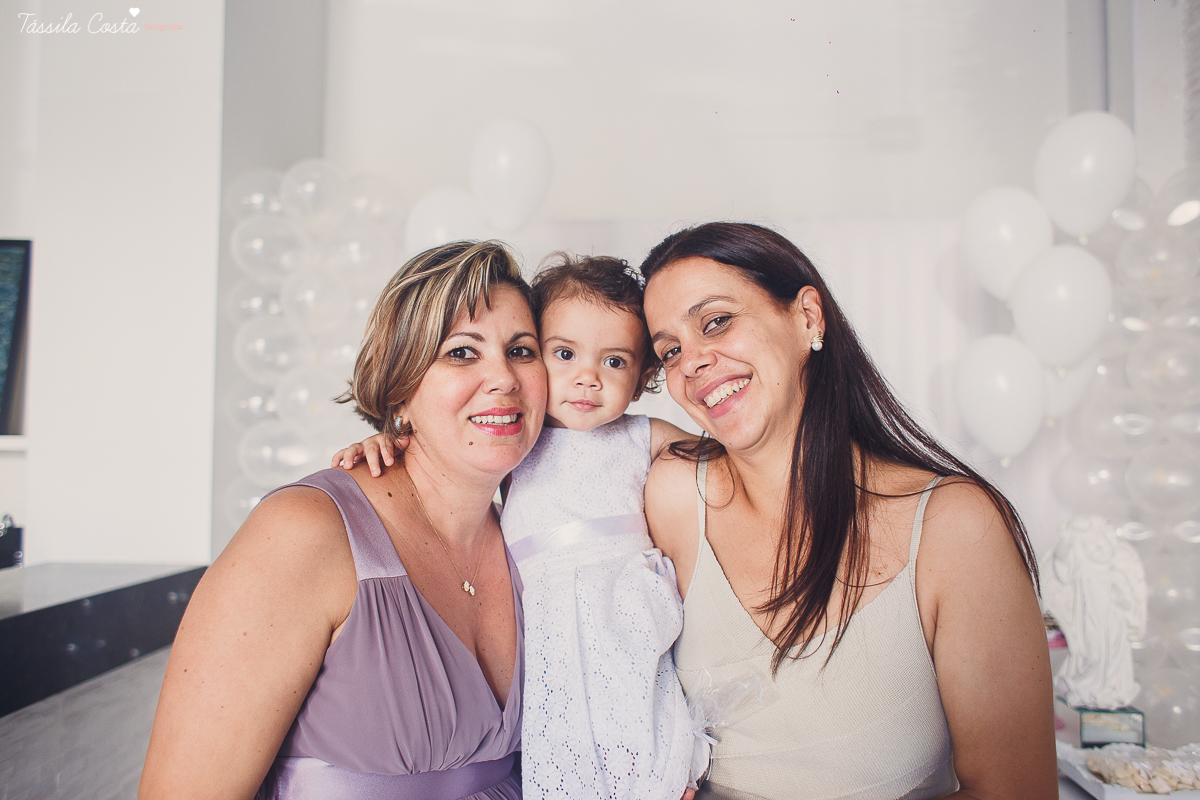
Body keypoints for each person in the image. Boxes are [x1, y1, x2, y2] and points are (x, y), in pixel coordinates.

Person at [639, 222, 1058, 799]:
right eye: (670, 351)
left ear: (808, 317)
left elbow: (1018, 792)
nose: (693, 365)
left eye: (716, 321)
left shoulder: (954, 529)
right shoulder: (674, 497)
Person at [139, 241, 546, 800]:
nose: (504, 377)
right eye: (461, 353)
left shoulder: (538, 537)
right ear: (400, 388)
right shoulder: (304, 532)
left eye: (522, 350)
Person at [336, 255, 699, 800]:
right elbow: (441, 455)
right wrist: (386, 437)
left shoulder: (631, 436)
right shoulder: (516, 450)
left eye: (615, 362)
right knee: (563, 733)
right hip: (552, 626)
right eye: (563, 354)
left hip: (627, 615)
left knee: (647, 713)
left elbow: (727, 464)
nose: (586, 378)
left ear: (644, 376)